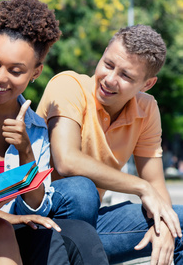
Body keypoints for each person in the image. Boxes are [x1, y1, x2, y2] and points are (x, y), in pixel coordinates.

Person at [0, 0, 108, 264]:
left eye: (16, 71)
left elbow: (35, 206)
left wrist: (25, 151)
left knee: (81, 235)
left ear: (35, 72)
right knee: (54, 240)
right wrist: (3, 218)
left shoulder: (35, 127)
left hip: (11, 227)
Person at [37, 24, 183, 264]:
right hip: (39, 219)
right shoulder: (68, 85)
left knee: (179, 224)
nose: (110, 79)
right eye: (108, 64)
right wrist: (141, 188)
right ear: (104, 52)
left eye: (126, 76)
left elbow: (155, 182)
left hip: (88, 227)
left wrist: (165, 224)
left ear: (147, 84)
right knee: (81, 190)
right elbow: (67, 161)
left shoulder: (147, 109)